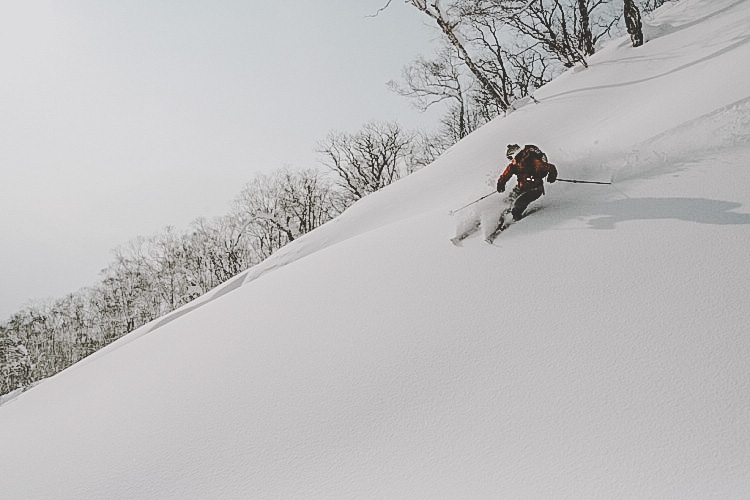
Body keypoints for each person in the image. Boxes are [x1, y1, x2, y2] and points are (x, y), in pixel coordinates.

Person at [496, 144, 558, 228]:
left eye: (510, 157)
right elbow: (507, 174)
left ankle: (515, 219)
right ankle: (500, 217)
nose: (510, 160)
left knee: (518, 203)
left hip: (535, 189)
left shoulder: (532, 161)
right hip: (522, 188)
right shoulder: (515, 165)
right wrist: (501, 183)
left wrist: (552, 176)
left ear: (515, 154)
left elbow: (551, 167)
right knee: (507, 200)